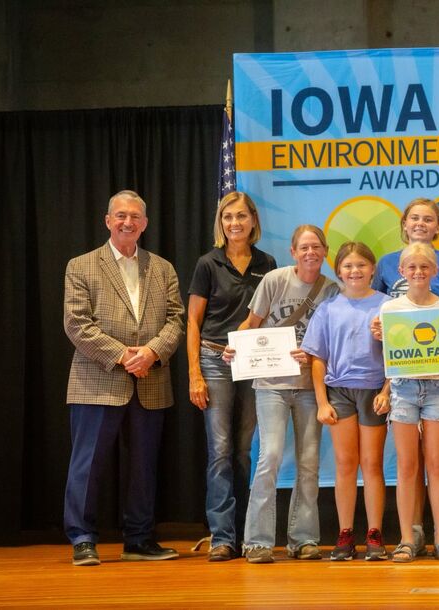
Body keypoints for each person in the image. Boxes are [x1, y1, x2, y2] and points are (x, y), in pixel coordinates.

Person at [63, 190, 185, 566]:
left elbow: (176, 319)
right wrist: (122, 355)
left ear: (145, 224)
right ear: (107, 220)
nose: (127, 222)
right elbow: (77, 323)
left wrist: (151, 352)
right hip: (97, 380)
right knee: (88, 463)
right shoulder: (81, 266)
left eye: (135, 216)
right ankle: (83, 538)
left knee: (143, 466)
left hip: (150, 381)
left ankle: (139, 538)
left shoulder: (162, 268)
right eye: (120, 215)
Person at [223, 225, 339, 564]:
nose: (310, 253)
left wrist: (316, 354)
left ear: (325, 251)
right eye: (303, 247)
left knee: (309, 463)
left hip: (308, 388)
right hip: (271, 384)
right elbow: (251, 323)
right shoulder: (274, 280)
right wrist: (236, 348)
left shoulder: (331, 290)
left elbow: (332, 340)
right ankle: (257, 541)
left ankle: (303, 539)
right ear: (293, 251)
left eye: (316, 247)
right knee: (269, 456)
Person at [372, 197, 439, 554]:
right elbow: (384, 348)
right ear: (401, 271)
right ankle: (407, 539)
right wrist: (379, 333)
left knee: (438, 464)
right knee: (406, 466)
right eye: (411, 268)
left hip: (437, 389)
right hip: (401, 389)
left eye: (424, 268)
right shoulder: (389, 308)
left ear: (435, 272)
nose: (417, 272)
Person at [187, 191, 277, 561]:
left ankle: (246, 534)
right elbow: (192, 321)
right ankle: (222, 536)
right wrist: (195, 373)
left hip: (253, 363)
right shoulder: (208, 264)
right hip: (214, 361)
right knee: (220, 451)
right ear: (220, 223)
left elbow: (270, 315)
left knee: (243, 451)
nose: (234, 223)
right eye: (228, 217)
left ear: (253, 221)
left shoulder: (267, 263)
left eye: (241, 216)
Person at [300, 242, 391, 561]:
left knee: (372, 464)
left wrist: (387, 390)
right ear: (338, 271)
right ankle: (345, 533)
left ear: (373, 268)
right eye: (349, 266)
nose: (355, 271)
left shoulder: (387, 305)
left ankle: (375, 534)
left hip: (373, 391)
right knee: (345, 464)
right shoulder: (328, 308)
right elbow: (318, 359)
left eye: (361, 265)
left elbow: (398, 355)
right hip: (339, 393)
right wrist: (322, 402)